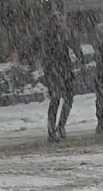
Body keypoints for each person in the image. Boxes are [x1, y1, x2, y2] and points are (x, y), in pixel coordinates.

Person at [34, 11, 84, 142]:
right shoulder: (46, 34)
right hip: (53, 70)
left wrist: (80, 58)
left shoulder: (64, 33)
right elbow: (37, 48)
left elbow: (74, 46)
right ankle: (52, 130)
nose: (60, 23)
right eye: (57, 20)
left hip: (64, 69)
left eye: (61, 20)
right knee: (55, 99)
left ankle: (61, 126)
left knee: (68, 98)